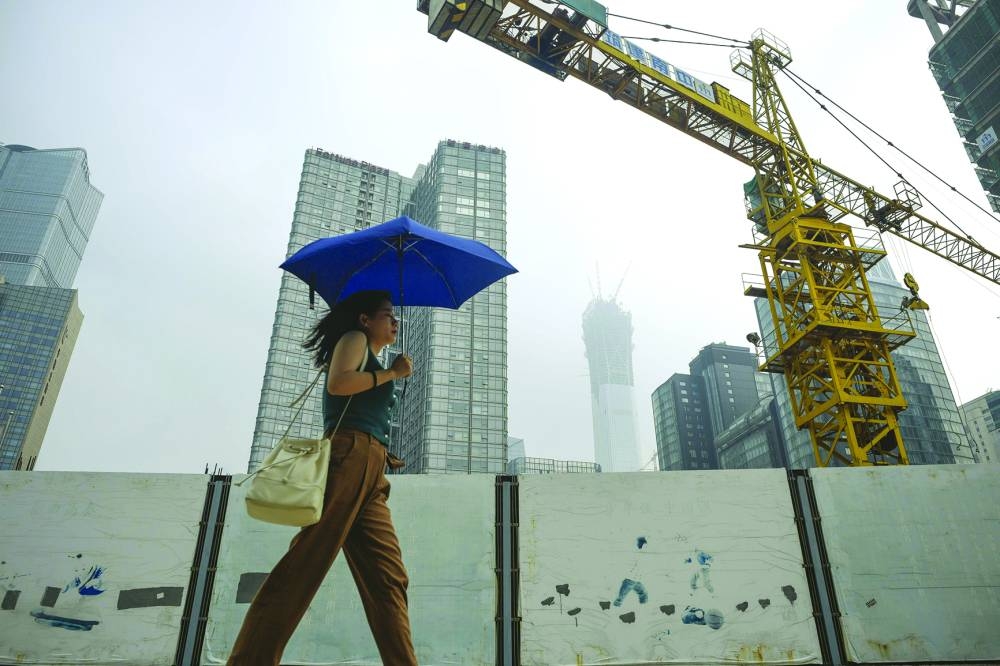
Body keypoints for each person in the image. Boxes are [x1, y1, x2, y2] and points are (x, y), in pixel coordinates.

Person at [228, 290, 418, 665]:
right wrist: (393, 373)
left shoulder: (374, 355)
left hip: (371, 470)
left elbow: (365, 411)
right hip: (348, 460)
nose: (395, 322)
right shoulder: (355, 340)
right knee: (305, 565)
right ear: (365, 319)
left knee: (388, 579)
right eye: (388, 314)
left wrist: (381, 450)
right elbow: (340, 383)